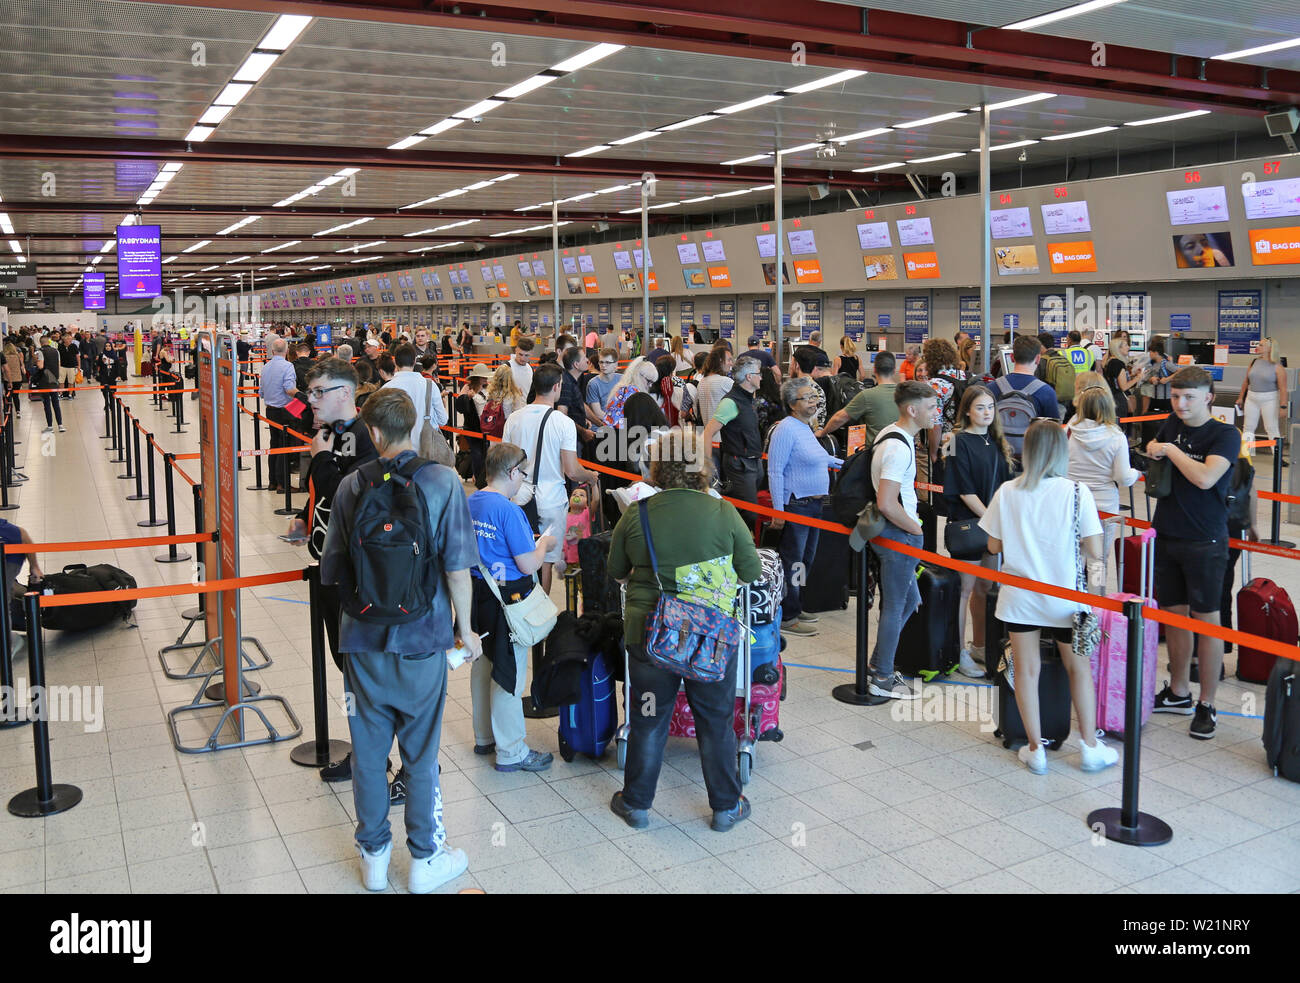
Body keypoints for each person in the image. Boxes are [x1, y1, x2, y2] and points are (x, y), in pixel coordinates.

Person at [320, 389, 481, 894]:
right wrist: (466, 629)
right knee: (421, 751)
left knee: (368, 752)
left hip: (362, 641)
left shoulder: (351, 485)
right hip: (423, 637)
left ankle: (373, 856)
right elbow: (458, 569)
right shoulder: (443, 482)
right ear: (415, 428)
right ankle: (426, 859)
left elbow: (331, 570)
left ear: (370, 432)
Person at [607, 429, 761, 833]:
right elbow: (750, 571)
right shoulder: (724, 512)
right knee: (715, 720)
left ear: (658, 466)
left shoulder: (636, 513)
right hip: (709, 635)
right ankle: (726, 806)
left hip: (649, 632)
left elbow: (615, 571)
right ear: (701, 468)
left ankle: (636, 804)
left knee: (647, 719)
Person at [979, 419, 1118, 775]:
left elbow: (993, 545)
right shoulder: (1076, 492)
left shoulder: (1007, 491)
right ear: (1060, 451)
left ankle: (1035, 749)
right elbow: (1095, 551)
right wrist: (1096, 594)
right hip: (1067, 600)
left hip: (1020, 598)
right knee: (1079, 670)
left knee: (1025, 671)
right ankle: (1089, 746)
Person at [1146, 367, 1242, 740]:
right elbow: (1157, 456)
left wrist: (1169, 449)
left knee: (1206, 621)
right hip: (1168, 533)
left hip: (1205, 540)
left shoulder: (1225, 435)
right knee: (1175, 618)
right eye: (1175, 397)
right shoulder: (1171, 424)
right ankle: (1178, 690)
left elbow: (1206, 478)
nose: (1180, 404)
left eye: (1188, 397)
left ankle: (1207, 703)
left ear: (1208, 397)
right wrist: (1157, 449)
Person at [468, 442, 557, 773]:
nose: (523, 480)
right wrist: (544, 544)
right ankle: (512, 751)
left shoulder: (471, 501)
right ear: (511, 472)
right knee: (508, 673)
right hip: (507, 602)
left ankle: (484, 737)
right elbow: (526, 564)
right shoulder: (509, 511)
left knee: (482, 664)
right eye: (522, 473)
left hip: (476, 596)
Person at [861, 381, 940, 700]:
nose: (937, 413)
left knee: (910, 600)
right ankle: (881, 676)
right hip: (897, 533)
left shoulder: (893, 434)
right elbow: (886, 502)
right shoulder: (897, 447)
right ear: (912, 409)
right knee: (896, 605)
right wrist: (917, 529)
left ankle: (879, 664)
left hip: (896, 531)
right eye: (932, 407)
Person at [502, 363, 600, 592]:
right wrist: (591, 476)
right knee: (544, 561)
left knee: (518, 556)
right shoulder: (562, 423)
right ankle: (540, 613)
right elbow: (572, 470)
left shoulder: (514, 419)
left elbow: (504, 463)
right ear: (556, 387)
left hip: (517, 497)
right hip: (551, 500)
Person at [942, 384, 1014, 677]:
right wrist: (992, 519)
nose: (986, 413)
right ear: (968, 411)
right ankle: (958, 651)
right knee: (964, 589)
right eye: (980, 407)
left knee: (985, 587)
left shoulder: (996, 441)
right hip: (970, 525)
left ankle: (980, 645)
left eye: (990, 407)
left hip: (992, 526)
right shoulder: (957, 441)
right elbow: (964, 491)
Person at [767, 376, 842, 638]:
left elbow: (822, 458)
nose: (814, 402)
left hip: (813, 504)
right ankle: (788, 614)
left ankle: (796, 605)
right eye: (807, 398)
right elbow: (775, 471)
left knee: (805, 560)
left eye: (814, 397)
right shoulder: (786, 429)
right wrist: (778, 511)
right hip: (796, 504)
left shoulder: (806, 427)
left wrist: (847, 464)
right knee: (793, 560)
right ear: (791, 403)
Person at [1067, 385, 1140, 586]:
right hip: (1104, 505)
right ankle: (1095, 599)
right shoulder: (1116, 437)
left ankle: (1072, 598)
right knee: (1097, 559)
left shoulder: (1068, 431)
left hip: (1072, 502)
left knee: (1071, 555)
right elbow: (1123, 477)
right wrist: (1137, 473)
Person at [700, 356, 763, 504]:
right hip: (740, 465)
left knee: (752, 510)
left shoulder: (747, 399)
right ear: (749, 377)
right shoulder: (730, 402)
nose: (761, 377)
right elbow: (708, 433)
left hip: (753, 462)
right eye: (759, 374)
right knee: (749, 512)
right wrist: (708, 465)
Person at [816, 350, 898, 447]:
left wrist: (822, 432)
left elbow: (839, 418)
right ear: (894, 370)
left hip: (875, 453)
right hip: (903, 451)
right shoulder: (906, 394)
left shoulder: (866, 396)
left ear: (874, 370)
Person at [380, 342, 447, 450]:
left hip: (398, 451)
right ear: (415, 361)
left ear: (395, 363)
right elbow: (442, 420)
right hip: (427, 449)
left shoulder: (386, 389)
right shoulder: (430, 385)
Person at [1235, 337, 1288, 458]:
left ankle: (1277, 456)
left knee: (1271, 427)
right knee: (1248, 426)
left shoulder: (1278, 367)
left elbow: (1283, 389)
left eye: (1261, 345)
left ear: (1270, 349)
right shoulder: (1254, 362)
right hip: (1251, 398)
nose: (1257, 347)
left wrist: (1283, 406)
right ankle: (1246, 454)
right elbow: (1246, 381)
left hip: (1269, 399)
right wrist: (1240, 397)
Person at [260, 337, 300, 495]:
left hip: (270, 410)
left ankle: (272, 481)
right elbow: (289, 389)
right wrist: (302, 397)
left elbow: (261, 392)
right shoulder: (288, 366)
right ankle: (282, 484)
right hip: (285, 411)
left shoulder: (266, 367)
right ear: (287, 351)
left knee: (274, 444)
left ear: (272, 351)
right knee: (285, 446)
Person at [995, 335, 1060, 420]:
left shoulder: (992, 388)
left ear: (1012, 357)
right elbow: (1053, 429)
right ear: (1038, 359)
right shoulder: (1047, 393)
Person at [557, 346, 596, 451]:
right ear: (576, 364)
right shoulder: (566, 384)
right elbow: (562, 416)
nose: (588, 360)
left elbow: (581, 404)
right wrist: (583, 431)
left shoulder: (573, 380)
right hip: (572, 441)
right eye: (584, 358)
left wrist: (601, 424)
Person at [602, 356, 658, 429]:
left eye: (652, 383)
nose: (650, 385)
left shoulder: (624, 388)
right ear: (640, 376)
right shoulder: (633, 392)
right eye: (648, 381)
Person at [694, 346, 734, 424]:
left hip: (708, 432)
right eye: (729, 360)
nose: (731, 363)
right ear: (720, 361)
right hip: (723, 433)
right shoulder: (725, 382)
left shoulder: (701, 382)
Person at [33, 348, 64, 434]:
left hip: (44, 382)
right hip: (54, 380)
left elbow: (40, 366)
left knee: (47, 404)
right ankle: (60, 425)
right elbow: (59, 364)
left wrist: (36, 360)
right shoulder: (56, 351)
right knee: (56, 403)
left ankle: (50, 426)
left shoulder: (40, 352)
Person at [585, 347, 620, 418]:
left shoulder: (623, 380)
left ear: (615, 364)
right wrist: (618, 421)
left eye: (608, 362)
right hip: (601, 424)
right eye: (601, 362)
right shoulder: (593, 384)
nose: (603, 365)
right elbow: (598, 413)